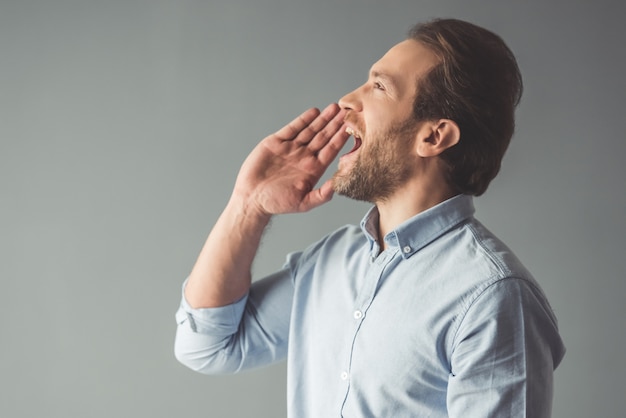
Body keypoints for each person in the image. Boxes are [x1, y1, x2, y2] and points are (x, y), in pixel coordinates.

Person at [174, 18, 565, 417]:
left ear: (433, 136)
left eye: (379, 86)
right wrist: (248, 205)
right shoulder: (331, 261)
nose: (347, 100)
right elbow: (207, 346)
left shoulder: (493, 296)